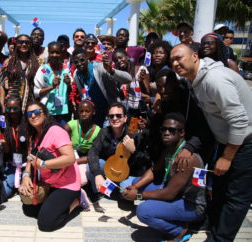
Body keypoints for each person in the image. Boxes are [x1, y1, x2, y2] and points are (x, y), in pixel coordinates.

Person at [171, 43, 252, 241]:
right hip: (228, 142)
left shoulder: (215, 80)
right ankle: (212, 225)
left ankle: (220, 238)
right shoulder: (196, 80)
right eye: (172, 60)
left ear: (195, 57)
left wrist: (227, 156)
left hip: (245, 143)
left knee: (236, 197)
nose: (175, 63)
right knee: (221, 190)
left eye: (179, 58)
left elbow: (240, 121)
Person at [122, 113, 206, 241]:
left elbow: (169, 194)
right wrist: (135, 187)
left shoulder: (187, 159)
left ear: (182, 132)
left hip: (191, 205)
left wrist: (138, 195)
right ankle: (165, 212)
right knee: (136, 181)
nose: (166, 133)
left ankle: (178, 230)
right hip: (174, 192)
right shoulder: (170, 148)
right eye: (163, 129)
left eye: (172, 130)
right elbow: (154, 170)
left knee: (143, 211)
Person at [19, 101, 81, 232]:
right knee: (29, 209)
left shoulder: (56, 131)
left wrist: (43, 164)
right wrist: (25, 176)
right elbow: (30, 158)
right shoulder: (33, 134)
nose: (33, 116)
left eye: (37, 112)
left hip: (66, 183)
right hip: (49, 182)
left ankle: (76, 202)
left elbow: (70, 158)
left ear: (44, 113)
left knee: (45, 224)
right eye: (29, 114)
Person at [87, 103, 152, 199]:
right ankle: (103, 191)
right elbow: (93, 152)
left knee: (127, 194)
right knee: (94, 165)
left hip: (128, 174)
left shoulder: (134, 135)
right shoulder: (104, 132)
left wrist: (133, 150)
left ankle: (111, 191)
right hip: (111, 169)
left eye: (118, 115)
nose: (115, 118)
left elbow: (146, 160)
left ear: (125, 118)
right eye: (111, 116)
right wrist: (97, 175)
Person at [70, 48, 132, 126]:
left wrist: (111, 70)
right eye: (76, 62)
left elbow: (128, 79)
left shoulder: (98, 67)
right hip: (95, 115)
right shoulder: (76, 74)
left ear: (87, 58)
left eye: (82, 60)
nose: (79, 64)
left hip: (109, 112)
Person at [64, 100, 101, 210]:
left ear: (93, 112)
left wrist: (76, 161)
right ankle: (80, 193)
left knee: (83, 177)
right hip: (72, 155)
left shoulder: (98, 131)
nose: (84, 114)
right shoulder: (72, 125)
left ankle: (89, 193)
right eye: (81, 111)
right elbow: (60, 137)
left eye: (87, 111)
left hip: (87, 159)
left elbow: (95, 155)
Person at [34, 41, 72, 126]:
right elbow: (36, 92)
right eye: (52, 52)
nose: (54, 55)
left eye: (57, 52)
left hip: (63, 112)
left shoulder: (65, 69)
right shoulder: (43, 69)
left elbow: (70, 91)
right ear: (48, 53)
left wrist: (68, 84)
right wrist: (52, 87)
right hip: (48, 112)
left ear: (62, 53)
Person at [0, 34, 39, 113]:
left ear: (31, 45)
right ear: (16, 44)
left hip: (31, 103)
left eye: (27, 42)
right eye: (21, 42)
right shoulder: (8, 63)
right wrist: (2, 105)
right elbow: (2, 85)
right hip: (12, 105)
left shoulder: (37, 62)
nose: (24, 44)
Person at [3, 97, 29, 196]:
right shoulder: (4, 124)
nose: (12, 111)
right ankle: (14, 183)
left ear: (21, 108)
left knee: (26, 193)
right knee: (5, 192)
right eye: (9, 109)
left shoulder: (27, 123)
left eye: (15, 108)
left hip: (26, 164)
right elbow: (6, 151)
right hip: (12, 164)